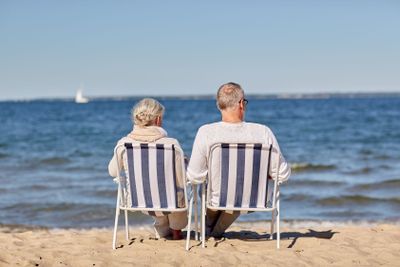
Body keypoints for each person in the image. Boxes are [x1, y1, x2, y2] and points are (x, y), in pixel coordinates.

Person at [187, 82, 291, 237]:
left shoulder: (206, 132)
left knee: (214, 188)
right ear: (242, 104)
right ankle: (213, 231)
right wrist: (263, 173)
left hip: (216, 199)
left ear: (219, 106)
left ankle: (208, 231)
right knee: (242, 187)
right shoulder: (263, 132)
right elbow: (282, 175)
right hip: (253, 199)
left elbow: (195, 176)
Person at [108, 98, 187, 240]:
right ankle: (176, 229)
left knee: (160, 190)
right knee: (177, 188)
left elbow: (112, 172)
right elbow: (181, 180)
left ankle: (162, 228)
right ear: (157, 120)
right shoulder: (171, 144)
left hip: (138, 201)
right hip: (170, 202)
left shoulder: (124, 144)